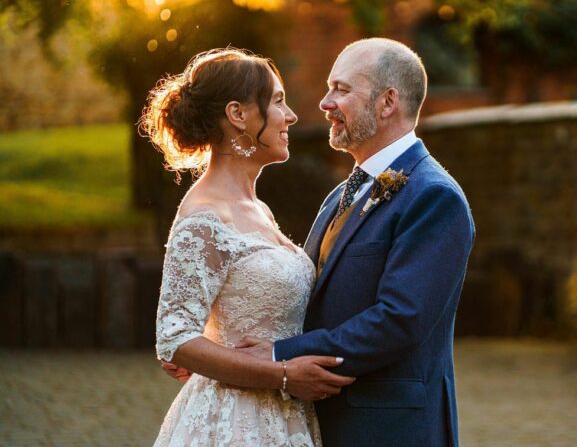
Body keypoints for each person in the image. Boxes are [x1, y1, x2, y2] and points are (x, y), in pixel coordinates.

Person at [233, 38, 476, 446]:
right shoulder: (341, 194)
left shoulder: (434, 196)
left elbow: (399, 321)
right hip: (319, 421)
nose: (325, 103)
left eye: (341, 90)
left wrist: (280, 355)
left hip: (388, 429)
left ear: (387, 102)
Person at [143, 48, 354, 447]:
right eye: (277, 101)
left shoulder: (258, 209)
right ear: (238, 115)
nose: (290, 116)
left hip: (285, 416)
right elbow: (174, 337)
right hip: (237, 421)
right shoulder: (204, 216)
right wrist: (285, 375)